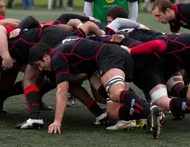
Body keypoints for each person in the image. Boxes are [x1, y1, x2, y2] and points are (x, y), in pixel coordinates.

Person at [28, 40, 163, 138]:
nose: (40, 69)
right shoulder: (61, 49)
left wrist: (57, 121)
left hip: (109, 56)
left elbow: (62, 91)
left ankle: (150, 111)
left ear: (46, 57)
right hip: (115, 55)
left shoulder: (57, 58)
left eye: (39, 64)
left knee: (115, 93)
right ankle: (145, 116)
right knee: (113, 111)